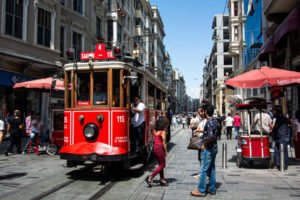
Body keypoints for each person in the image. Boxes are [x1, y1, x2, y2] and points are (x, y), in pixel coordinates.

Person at [191, 103, 219, 197]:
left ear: (206, 112)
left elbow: (210, 136)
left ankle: (201, 190)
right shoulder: (214, 121)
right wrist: (201, 131)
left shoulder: (209, 122)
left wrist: (204, 144)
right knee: (212, 169)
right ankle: (212, 188)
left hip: (209, 148)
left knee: (203, 170)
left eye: (203, 110)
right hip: (214, 147)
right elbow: (210, 132)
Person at [145, 116, 169, 187]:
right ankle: (150, 177)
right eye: (166, 124)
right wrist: (166, 151)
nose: (167, 125)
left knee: (160, 164)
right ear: (163, 124)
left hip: (155, 148)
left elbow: (151, 129)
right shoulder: (163, 132)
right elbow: (164, 143)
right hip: (160, 149)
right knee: (163, 165)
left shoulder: (155, 131)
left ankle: (162, 179)